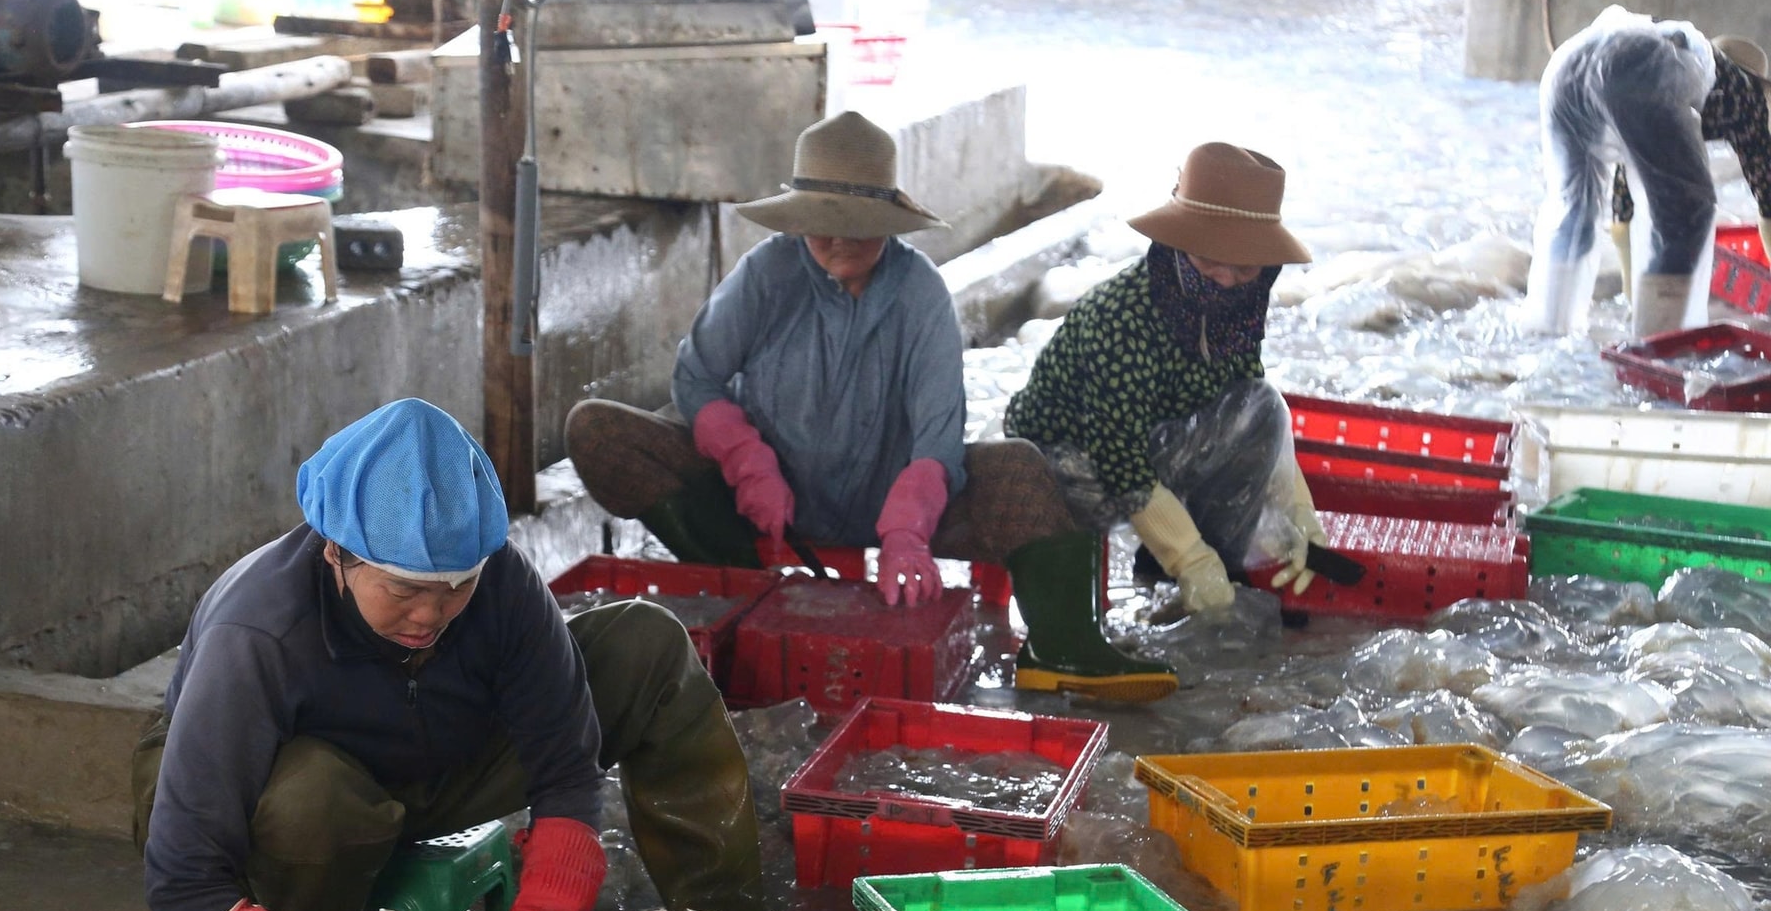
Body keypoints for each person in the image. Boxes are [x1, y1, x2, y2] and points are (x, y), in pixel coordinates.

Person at [134, 398, 868, 911]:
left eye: (455, 587)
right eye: (403, 589)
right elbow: (184, 874)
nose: (430, 613)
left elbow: (566, 772)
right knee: (307, 797)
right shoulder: (256, 632)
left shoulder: (498, 583)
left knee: (647, 646)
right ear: (338, 554)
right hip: (291, 796)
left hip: (437, 759)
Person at [566, 111, 1177, 701]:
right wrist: (747, 460)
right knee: (595, 429)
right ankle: (740, 578)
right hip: (764, 505)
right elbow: (696, 377)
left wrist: (908, 529)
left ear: (888, 222)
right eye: (817, 221)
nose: (833, 239)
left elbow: (939, 431)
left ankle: (1063, 650)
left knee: (1018, 465)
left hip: (891, 502)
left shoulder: (919, 293)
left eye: (853, 222)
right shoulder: (767, 272)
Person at [1002, 142, 1323, 621]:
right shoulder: (1123, 316)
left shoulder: (1235, 311)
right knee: (1170, 520)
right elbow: (1118, 456)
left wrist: (1297, 511)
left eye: (1245, 265)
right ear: (1178, 241)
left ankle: (1197, 577)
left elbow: (1250, 406)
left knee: (1263, 405)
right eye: (1210, 258)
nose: (1227, 279)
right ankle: (1184, 568)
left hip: (1158, 440)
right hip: (1061, 461)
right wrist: (1189, 557)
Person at [1525, 7, 1771, 338]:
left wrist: (1632, 288)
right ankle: (1657, 347)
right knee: (1687, 214)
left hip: (1567, 67)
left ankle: (1547, 328)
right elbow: (1766, 187)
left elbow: (1624, 197)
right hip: (1629, 70)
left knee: (1574, 207)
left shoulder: (1686, 64)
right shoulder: (1743, 92)